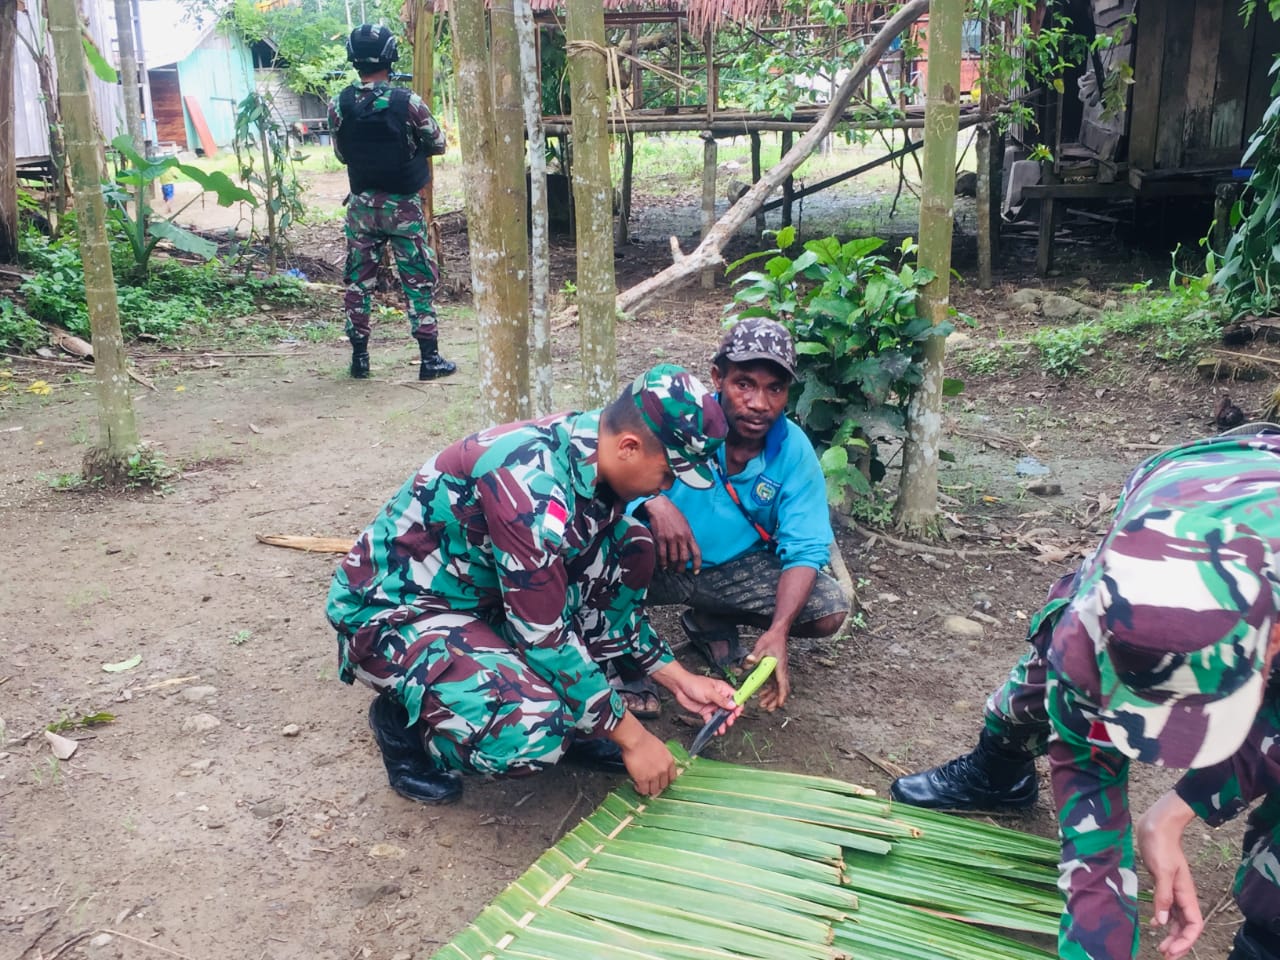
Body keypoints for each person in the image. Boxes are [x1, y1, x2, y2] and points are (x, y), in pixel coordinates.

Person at [889, 432, 1280, 960]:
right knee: (1034, 695)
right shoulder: (1093, 624)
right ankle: (997, 768)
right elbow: (1091, 808)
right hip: (1175, 495)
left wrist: (1179, 809)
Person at [326, 364, 743, 805]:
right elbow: (543, 637)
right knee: (535, 734)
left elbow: (603, 607)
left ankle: (583, 717)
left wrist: (679, 680)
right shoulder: (531, 487)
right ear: (629, 446)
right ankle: (406, 726)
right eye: (667, 473)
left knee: (632, 545)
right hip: (394, 612)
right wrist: (634, 739)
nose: (668, 486)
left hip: (481, 601)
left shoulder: (592, 456)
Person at [628, 318, 848, 718]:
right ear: (717, 377)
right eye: (744, 383)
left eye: (774, 388)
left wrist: (778, 630)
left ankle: (711, 617)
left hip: (731, 565)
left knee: (828, 607)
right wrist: (654, 503)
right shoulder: (680, 418)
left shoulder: (793, 451)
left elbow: (805, 547)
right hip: (653, 559)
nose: (759, 403)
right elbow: (610, 470)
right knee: (613, 549)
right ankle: (626, 660)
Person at [329, 24, 453, 381]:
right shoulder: (407, 102)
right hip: (403, 208)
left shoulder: (339, 104)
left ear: (354, 59)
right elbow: (439, 143)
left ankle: (360, 360)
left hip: (362, 208)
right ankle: (429, 360)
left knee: (358, 282)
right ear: (390, 56)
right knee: (417, 280)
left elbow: (341, 155)